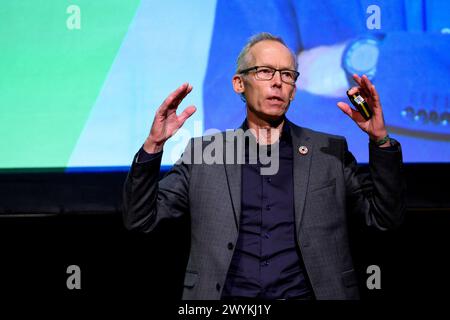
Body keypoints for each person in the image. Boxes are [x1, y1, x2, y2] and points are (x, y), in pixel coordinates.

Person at [123, 33, 405, 300]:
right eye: (265, 71)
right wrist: (153, 145)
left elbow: (383, 219)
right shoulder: (205, 154)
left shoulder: (328, 151)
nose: (278, 82)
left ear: (294, 90)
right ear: (239, 83)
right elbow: (140, 219)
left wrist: (380, 141)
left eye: (287, 75)